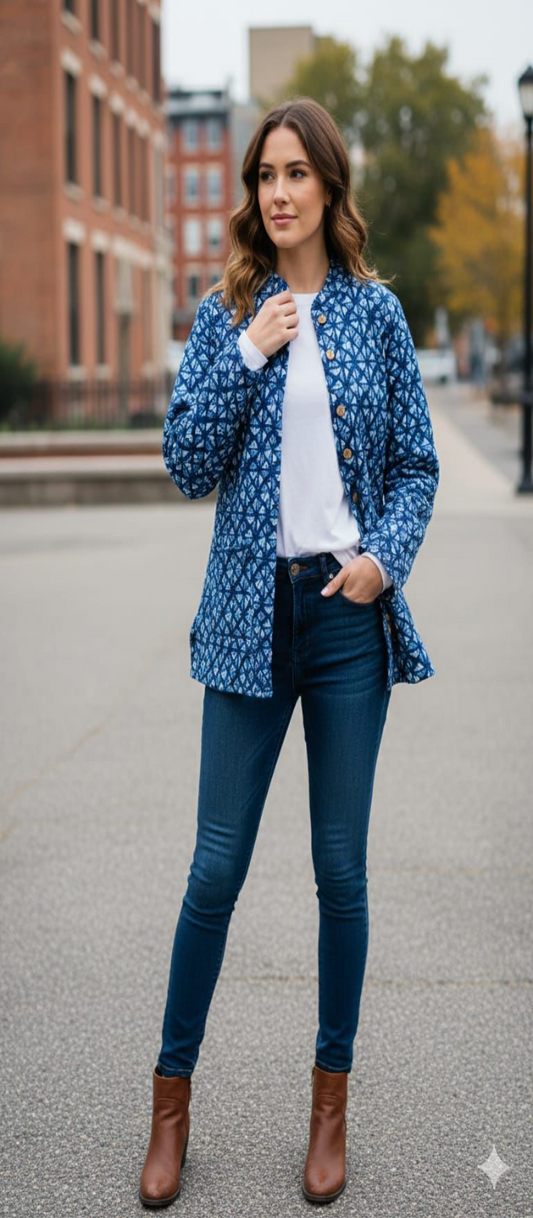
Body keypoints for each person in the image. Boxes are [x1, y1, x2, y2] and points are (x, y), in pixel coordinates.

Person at [139, 96, 440, 1208]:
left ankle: (329, 1110)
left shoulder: (374, 316)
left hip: (345, 616)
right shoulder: (230, 309)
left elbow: (414, 465)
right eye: (263, 174)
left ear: (327, 186)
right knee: (213, 870)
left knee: (339, 873)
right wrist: (245, 355)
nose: (275, 191)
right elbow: (182, 460)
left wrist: (382, 561)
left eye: (294, 173)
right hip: (245, 618)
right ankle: (169, 1105)